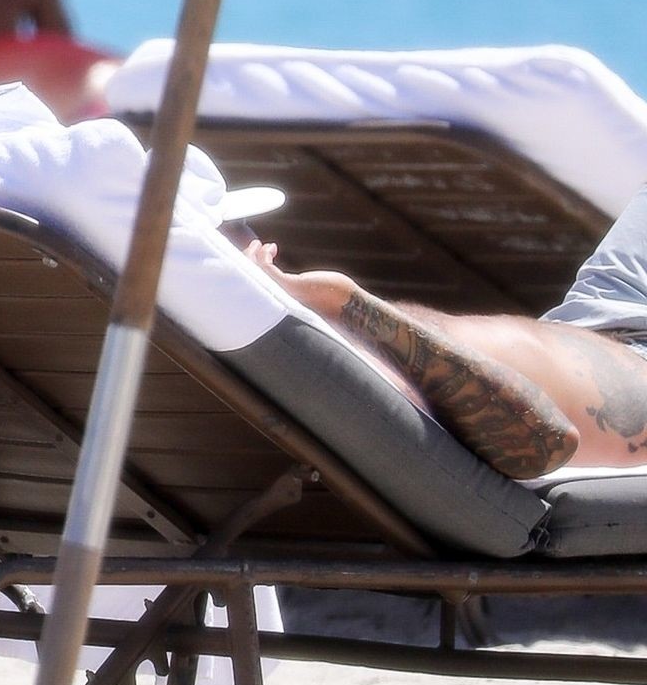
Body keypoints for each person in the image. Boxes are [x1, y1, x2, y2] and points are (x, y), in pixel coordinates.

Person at [249, 180, 647, 477]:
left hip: (606, 324)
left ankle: (354, 324)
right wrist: (350, 311)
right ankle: (354, 324)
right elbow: (542, 438)